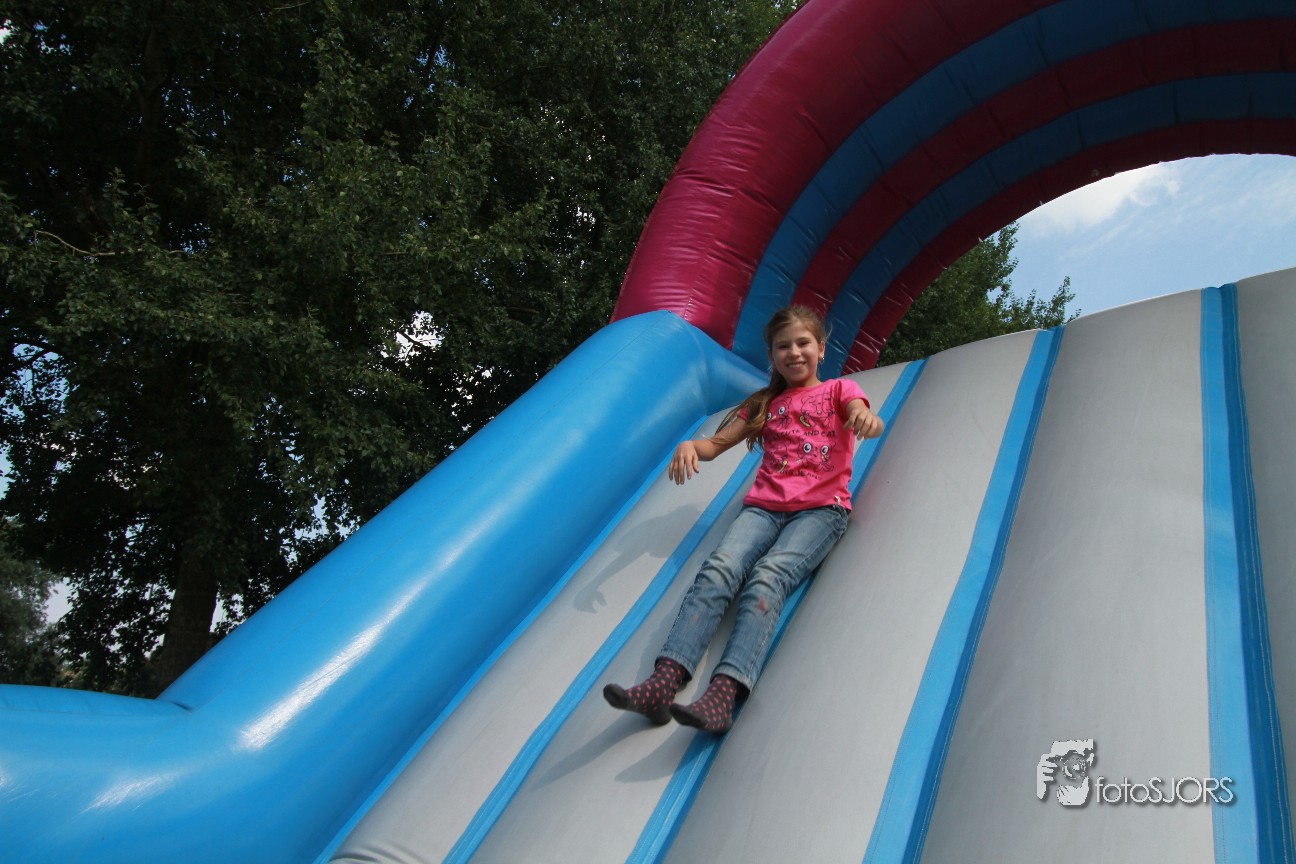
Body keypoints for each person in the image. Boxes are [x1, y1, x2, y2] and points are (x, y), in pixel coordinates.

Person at [603, 305, 883, 733]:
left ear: (822, 349)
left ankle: (725, 693)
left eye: (803, 343)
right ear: (772, 356)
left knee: (768, 577)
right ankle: (664, 682)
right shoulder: (764, 404)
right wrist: (691, 446)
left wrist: (866, 418)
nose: (794, 352)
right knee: (719, 569)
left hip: (821, 510)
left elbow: (869, 421)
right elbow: (716, 444)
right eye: (783, 346)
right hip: (764, 509)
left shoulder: (840, 390)